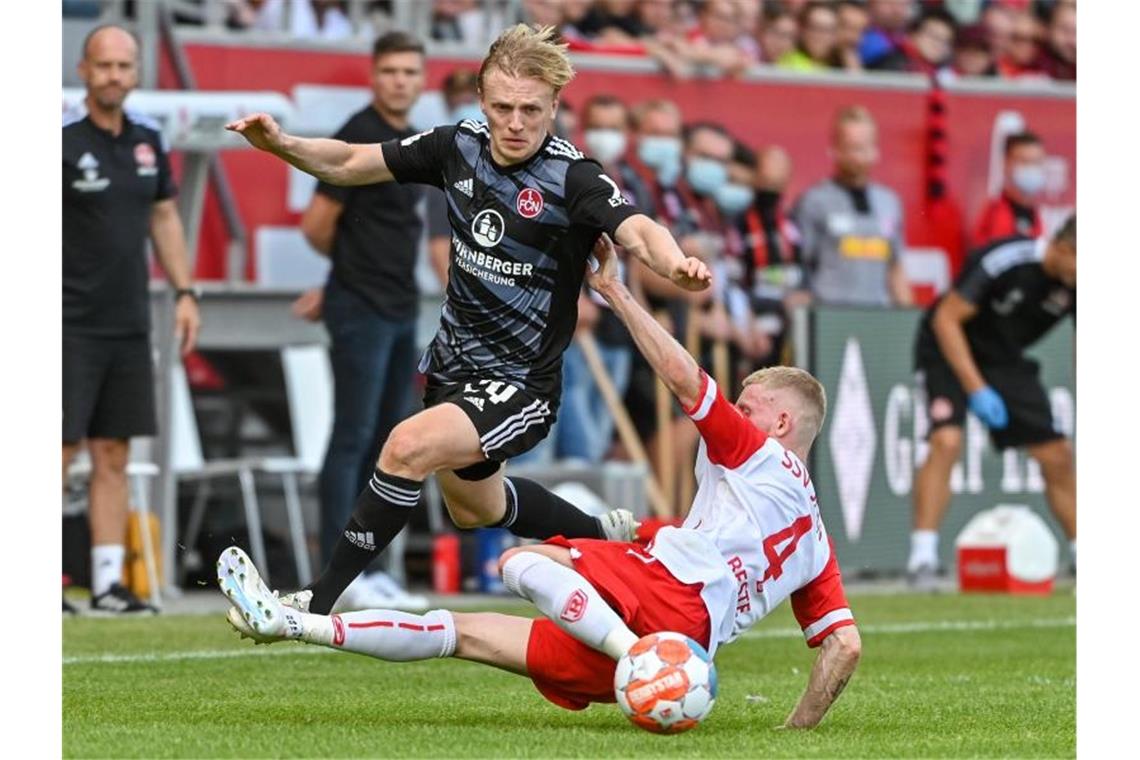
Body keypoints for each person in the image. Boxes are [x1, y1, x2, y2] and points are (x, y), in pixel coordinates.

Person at [218, 232, 861, 728]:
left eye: (748, 407)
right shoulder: (816, 541)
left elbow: (688, 381)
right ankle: (290, 624)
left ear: (780, 423)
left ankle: (634, 654)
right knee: (463, 634)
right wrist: (795, 732)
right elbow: (844, 648)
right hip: (692, 638)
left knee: (523, 564)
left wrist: (616, 292)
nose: (735, 414)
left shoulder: (759, 455)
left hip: (667, 600)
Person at [225, 24, 712, 616]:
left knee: (405, 446)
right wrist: (282, 145)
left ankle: (311, 601)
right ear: (482, 101)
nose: (515, 122)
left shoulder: (573, 176)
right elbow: (352, 161)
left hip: (522, 385)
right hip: (454, 370)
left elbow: (637, 228)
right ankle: (600, 535)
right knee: (474, 508)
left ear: (554, 108)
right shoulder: (457, 146)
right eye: (502, 107)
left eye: (530, 110)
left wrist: (673, 263)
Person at [292, 32, 435, 612]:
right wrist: (347, 279)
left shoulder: (415, 139)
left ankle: (369, 568)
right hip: (361, 307)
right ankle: (336, 572)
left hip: (402, 307)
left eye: (410, 71)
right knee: (351, 437)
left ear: (421, 78)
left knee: (388, 442)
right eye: (390, 70)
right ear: (375, 76)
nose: (400, 80)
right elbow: (316, 224)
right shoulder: (355, 132)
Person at [63, 25, 201, 614]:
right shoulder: (59, 144)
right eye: (104, 65)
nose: (114, 75)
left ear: (138, 72)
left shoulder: (148, 143)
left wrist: (186, 291)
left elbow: (165, 217)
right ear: (83, 70)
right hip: (65, 322)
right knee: (58, 451)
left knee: (113, 454)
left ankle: (108, 583)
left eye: (124, 65)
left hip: (128, 322)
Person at [907, 216, 1076, 587]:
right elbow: (946, 319)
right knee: (946, 441)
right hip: (946, 348)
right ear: (1063, 249)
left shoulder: (1077, 283)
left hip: (1004, 358)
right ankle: (922, 559)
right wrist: (977, 388)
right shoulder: (1006, 259)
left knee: (1057, 454)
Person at [793, 105, 912, 308]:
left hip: (877, 313)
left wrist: (907, 315)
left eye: (865, 147)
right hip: (830, 313)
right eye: (852, 147)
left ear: (876, 150)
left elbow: (896, 268)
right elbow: (800, 266)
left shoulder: (889, 202)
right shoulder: (815, 201)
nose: (859, 156)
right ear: (836, 150)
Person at [973, 131, 1046, 247]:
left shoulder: (1036, 216)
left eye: (1036, 162)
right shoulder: (994, 215)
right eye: (1024, 161)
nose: (1031, 168)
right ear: (1006, 163)